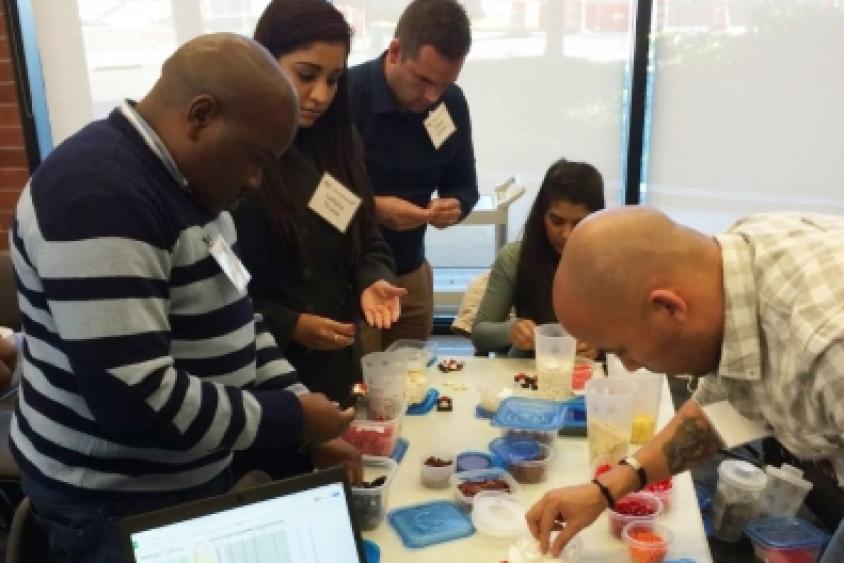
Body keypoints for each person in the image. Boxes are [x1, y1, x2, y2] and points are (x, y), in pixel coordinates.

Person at [10, 33, 357, 563]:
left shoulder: (192, 183)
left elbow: (241, 316)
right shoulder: (99, 196)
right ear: (200, 116)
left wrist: (305, 413)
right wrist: (291, 418)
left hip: (183, 481)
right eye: (256, 159)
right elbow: (137, 400)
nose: (257, 180)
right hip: (114, 504)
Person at [526, 207, 844, 563]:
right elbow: (721, 410)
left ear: (667, 308)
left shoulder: (829, 350)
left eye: (624, 351)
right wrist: (604, 490)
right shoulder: (735, 267)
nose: (630, 368)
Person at [232, 0, 404, 408]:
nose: (320, 95)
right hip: (264, 370)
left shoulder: (339, 143)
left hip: (337, 363)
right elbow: (217, 287)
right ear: (265, 61)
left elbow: (367, 238)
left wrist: (371, 279)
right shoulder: (235, 154)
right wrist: (290, 324)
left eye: (334, 79)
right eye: (306, 75)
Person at [348, 0, 479, 350]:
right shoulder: (345, 95)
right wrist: (374, 208)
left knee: (413, 386)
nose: (432, 96)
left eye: (444, 83)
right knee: (362, 386)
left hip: (413, 271)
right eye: (423, 80)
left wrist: (455, 205)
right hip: (350, 276)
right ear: (395, 52)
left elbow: (464, 184)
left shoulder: (450, 104)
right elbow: (314, 193)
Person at [471, 159, 604, 358]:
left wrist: (600, 347)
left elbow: (633, 337)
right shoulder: (515, 258)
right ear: (541, 216)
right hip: (526, 370)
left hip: (588, 376)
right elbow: (480, 334)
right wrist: (512, 331)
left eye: (580, 223)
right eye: (557, 221)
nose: (566, 234)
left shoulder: (610, 261)